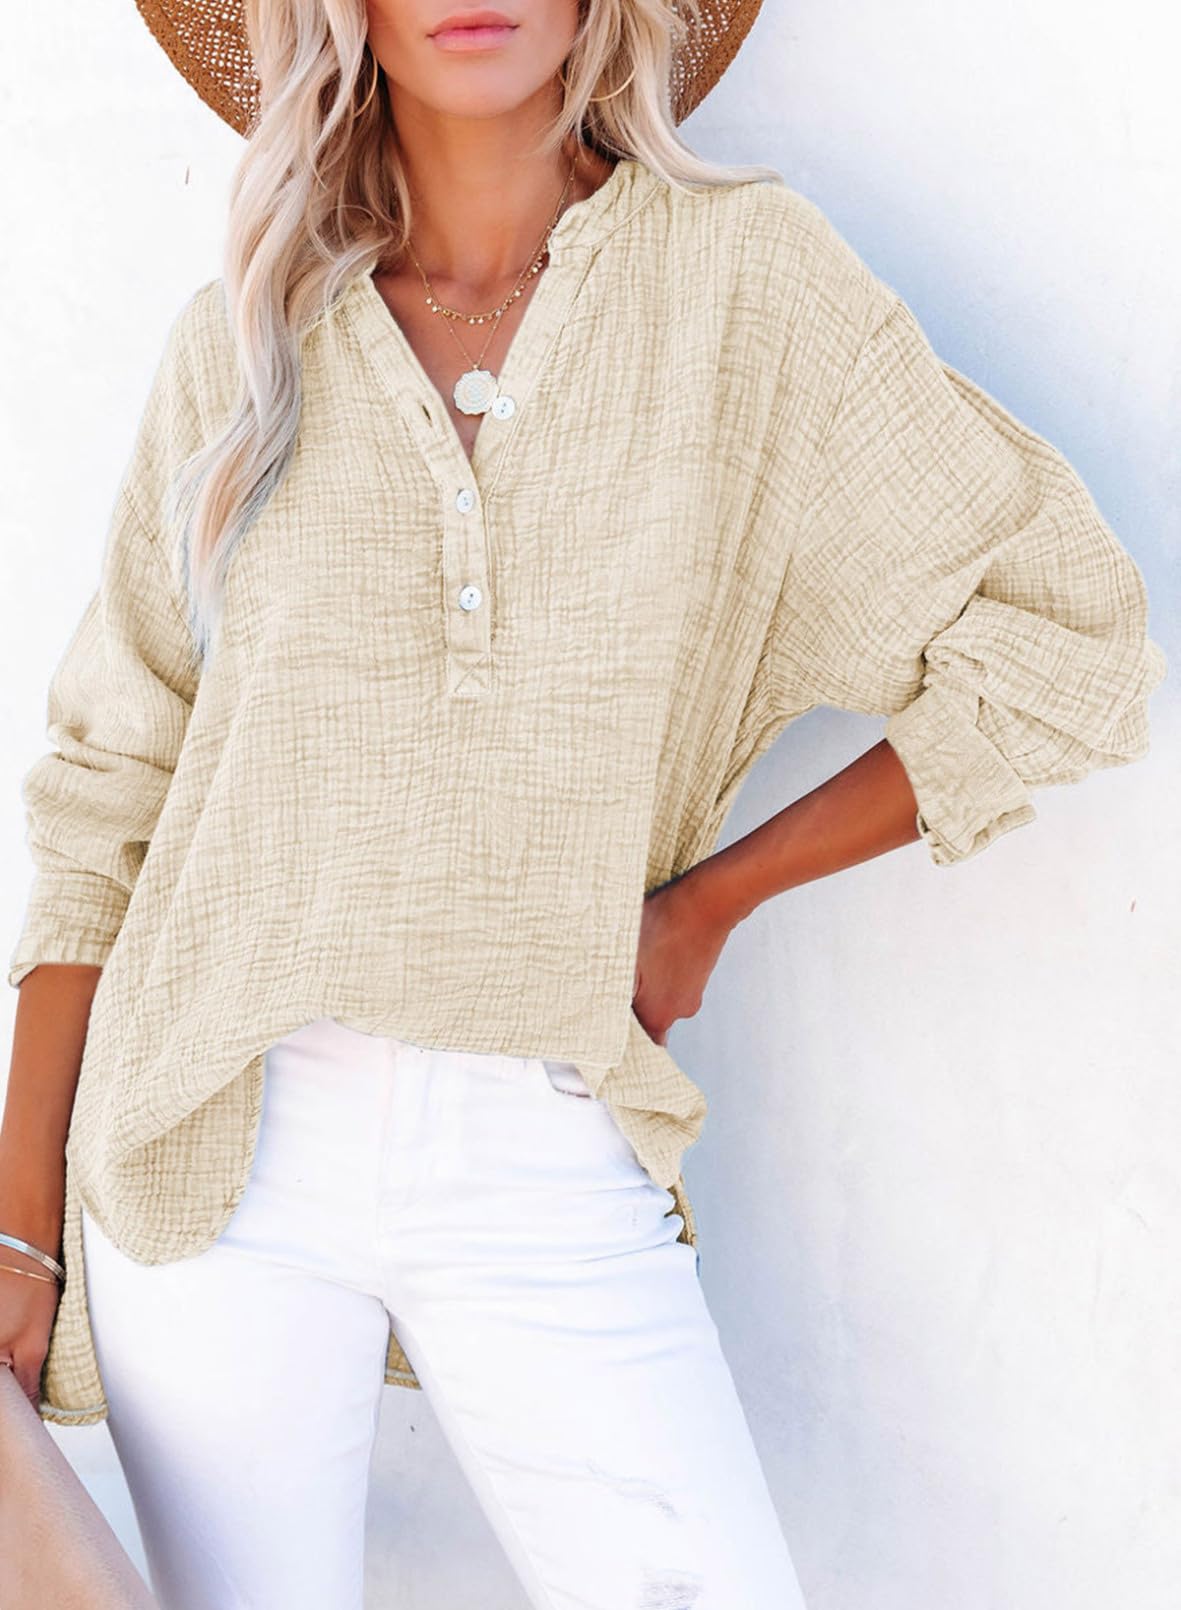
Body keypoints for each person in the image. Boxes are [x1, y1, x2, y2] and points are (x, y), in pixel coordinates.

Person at [0, 2, 1166, 1607]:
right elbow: (107, 797)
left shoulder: (743, 286)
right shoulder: (248, 335)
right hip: (214, 1146)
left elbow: (1069, 634)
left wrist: (706, 906)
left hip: (543, 1131)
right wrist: (20, 1226)